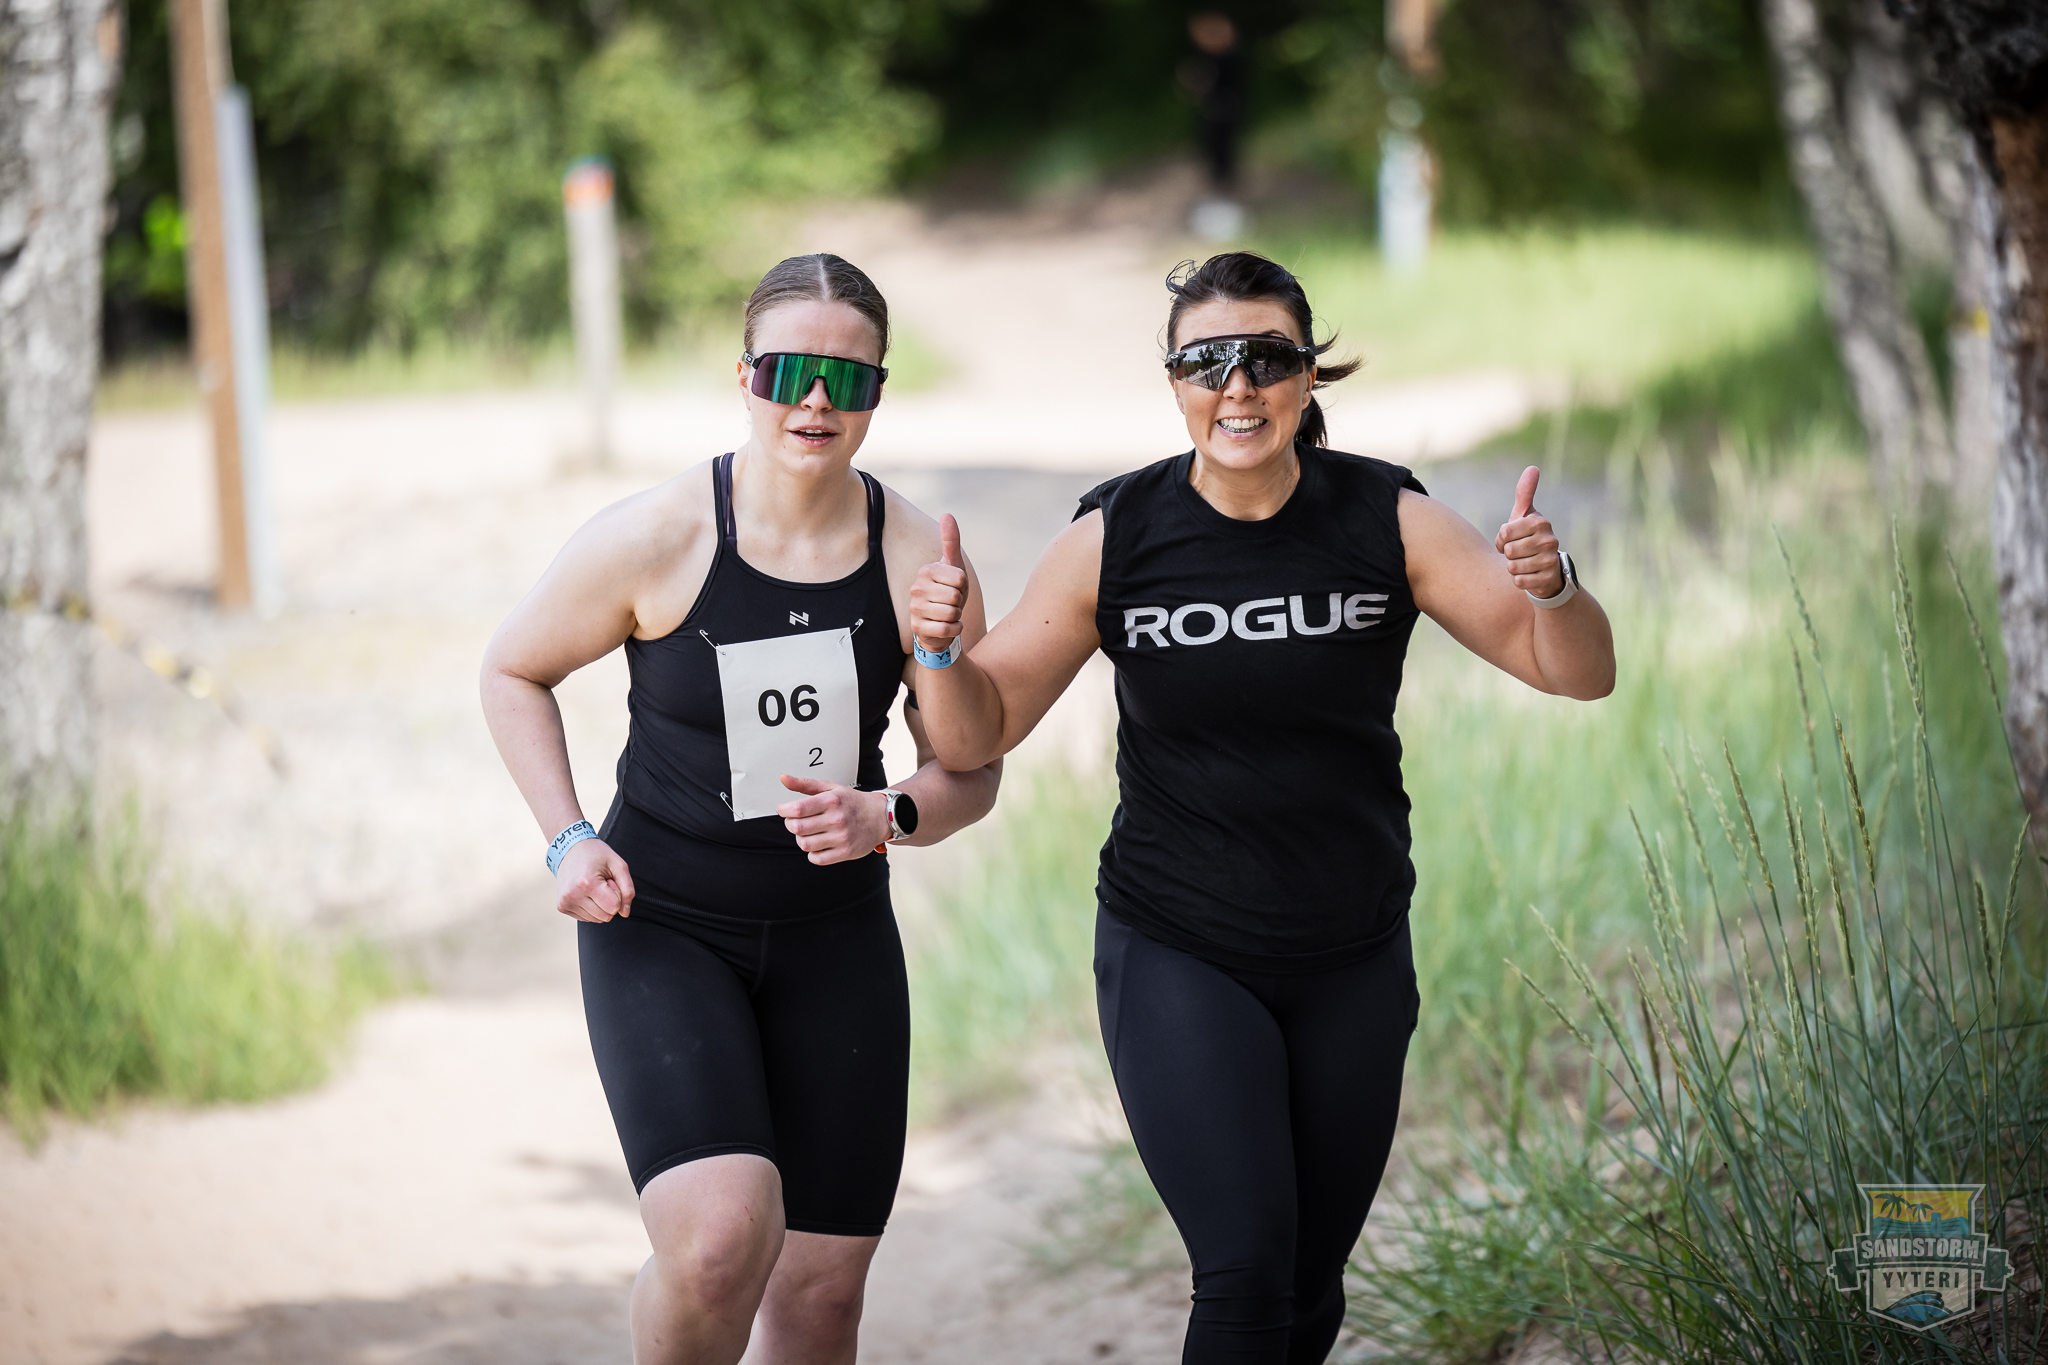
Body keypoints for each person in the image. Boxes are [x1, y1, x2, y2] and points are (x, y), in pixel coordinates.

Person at [904, 251, 1614, 1364]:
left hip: (1352, 951)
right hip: (1178, 944)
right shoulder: (1116, 537)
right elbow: (972, 734)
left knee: (1306, 1291)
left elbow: (1574, 671)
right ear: (1174, 383)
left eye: (1266, 358)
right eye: (1206, 363)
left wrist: (1553, 588)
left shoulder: (1389, 518)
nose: (1236, 386)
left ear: (1308, 374)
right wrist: (940, 650)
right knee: (1242, 1277)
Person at [481, 253, 1000, 1365]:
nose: (814, 400)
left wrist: (890, 811)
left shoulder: (920, 557)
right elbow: (512, 669)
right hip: (663, 925)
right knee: (720, 1244)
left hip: (834, 939)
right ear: (744, 377)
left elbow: (970, 767)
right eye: (787, 372)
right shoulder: (658, 534)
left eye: (846, 378)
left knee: (818, 1301)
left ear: (878, 391)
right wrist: (567, 839)